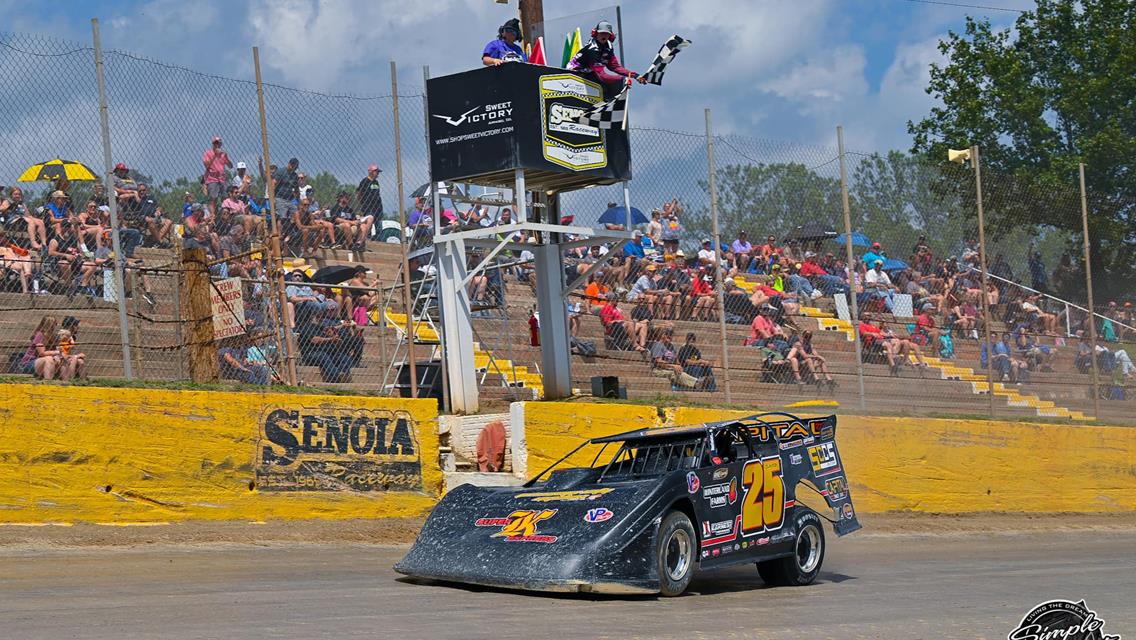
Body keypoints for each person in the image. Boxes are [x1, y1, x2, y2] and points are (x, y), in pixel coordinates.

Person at [567, 21, 646, 96]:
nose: (604, 36)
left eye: (606, 34)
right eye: (601, 33)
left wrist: (635, 76)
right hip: (574, 73)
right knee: (604, 84)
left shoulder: (608, 47)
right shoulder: (592, 50)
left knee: (604, 87)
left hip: (589, 74)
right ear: (595, 33)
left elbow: (615, 67)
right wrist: (622, 80)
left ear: (610, 36)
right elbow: (602, 76)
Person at [203, 136, 233, 215]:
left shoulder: (223, 154)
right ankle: (213, 216)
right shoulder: (208, 153)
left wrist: (227, 158)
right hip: (212, 179)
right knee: (213, 198)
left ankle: (225, 216)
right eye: (215, 143)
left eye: (219, 143)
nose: (217, 145)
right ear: (213, 144)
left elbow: (230, 166)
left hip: (222, 179)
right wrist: (215, 155)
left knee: (226, 197)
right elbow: (207, 165)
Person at [356, 164, 384, 238]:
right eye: (376, 171)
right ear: (371, 172)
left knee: (378, 224)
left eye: (378, 172)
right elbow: (359, 193)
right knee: (369, 223)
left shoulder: (376, 182)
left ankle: (378, 239)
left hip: (377, 207)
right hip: (368, 206)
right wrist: (363, 203)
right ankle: (366, 237)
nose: (377, 173)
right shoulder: (365, 181)